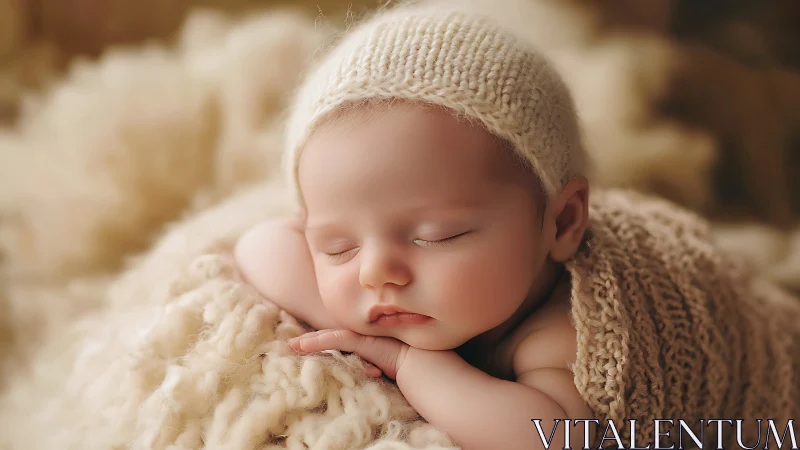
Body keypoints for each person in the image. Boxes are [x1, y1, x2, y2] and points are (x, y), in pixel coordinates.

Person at [234, 2, 800, 449]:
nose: (377, 271)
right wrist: (359, 320)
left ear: (561, 223)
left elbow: (551, 438)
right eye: (338, 246)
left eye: (436, 236)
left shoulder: (563, 331)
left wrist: (414, 363)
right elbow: (261, 245)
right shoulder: (398, 276)